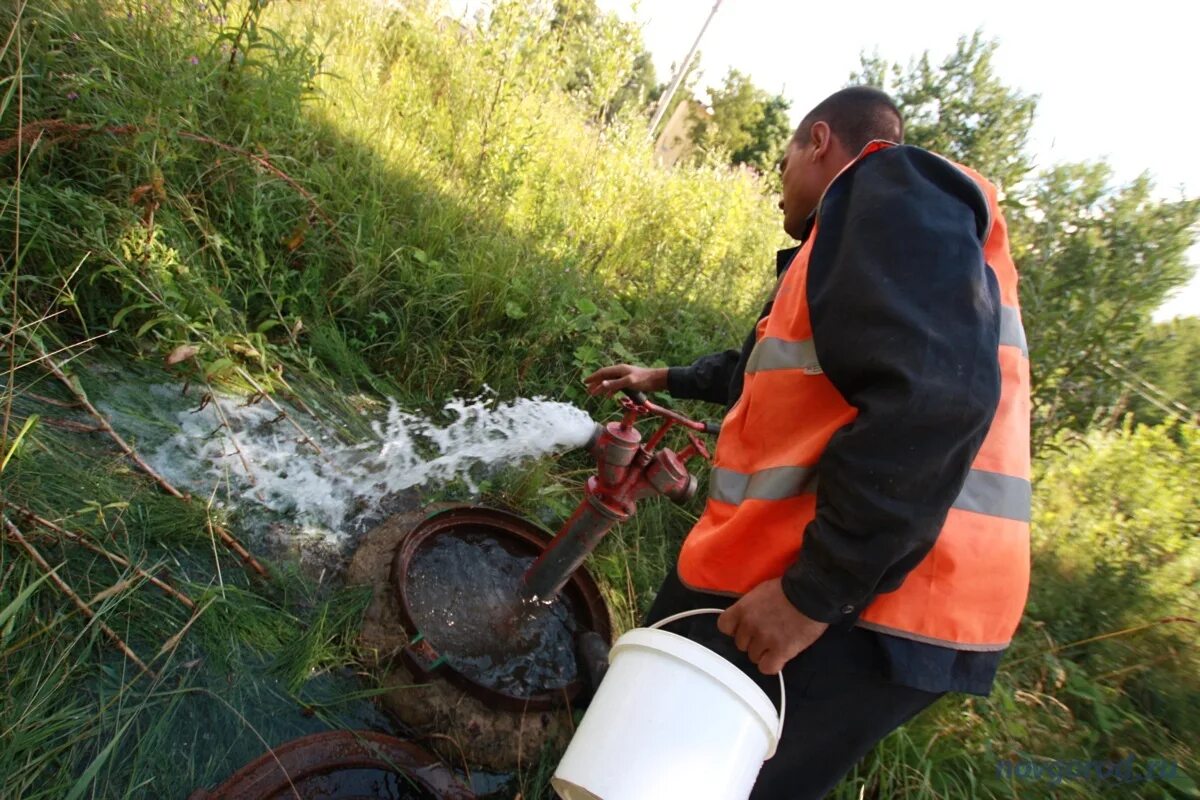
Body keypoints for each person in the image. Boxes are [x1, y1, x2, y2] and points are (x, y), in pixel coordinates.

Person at [584, 86, 1031, 799]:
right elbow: (767, 373)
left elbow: (935, 402)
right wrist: (661, 374)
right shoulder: (870, 242)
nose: (778, 187)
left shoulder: (892, 186)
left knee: (648, 768)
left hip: (858, 589)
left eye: (785, 159)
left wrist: (812, 596)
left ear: (819, 142)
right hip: (905, 591)